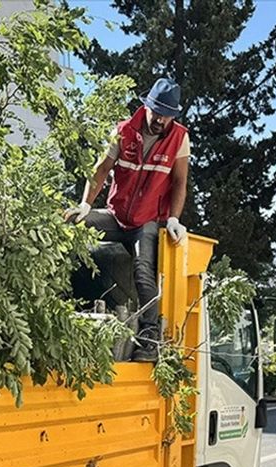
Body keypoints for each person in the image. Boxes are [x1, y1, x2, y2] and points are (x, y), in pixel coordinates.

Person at [64, 78, 191, 362]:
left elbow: (180, 182)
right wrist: (85, 204)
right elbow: (101, 169)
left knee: (143, 271)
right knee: (69, 225)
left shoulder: (180, 138)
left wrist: (174, 218)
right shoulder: (123, 131)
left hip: (146, 221)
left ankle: (149, 338)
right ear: (147, 107)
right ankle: (55, 298)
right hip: (116, 215)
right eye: (157, 112)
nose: (160, 120)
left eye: (167, 115)